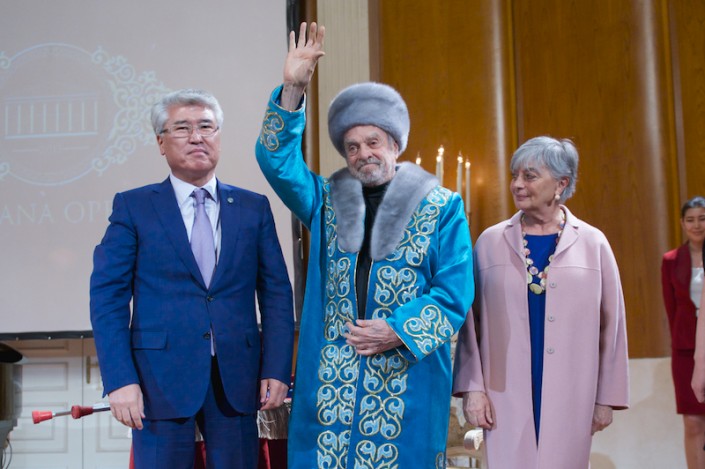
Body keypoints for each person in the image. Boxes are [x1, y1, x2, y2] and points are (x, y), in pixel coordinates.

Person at [255, 23, 475, 468]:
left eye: (373, 142)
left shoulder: (441, 206)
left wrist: (398, 329)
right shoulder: (325, 200)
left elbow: (454, 291)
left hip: (405, 382)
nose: (363, 153)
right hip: (330, 386)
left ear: (395, 144)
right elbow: (276, 161)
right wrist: (293, 90)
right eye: (352, 146)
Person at [90, 89, 294, 469]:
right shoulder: (134, 207)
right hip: (157, 381)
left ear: (218, 136)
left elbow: (277, 295)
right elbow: (107, 299)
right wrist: (119, 379)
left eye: (206, 127)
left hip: (238, 381)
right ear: (161, 142)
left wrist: (276, 368)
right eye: (183, 128)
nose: (197, 137)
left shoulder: (253, 207)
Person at [452, 136, 629, 469]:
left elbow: (613, 328)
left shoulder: (593, 243)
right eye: (515, 175)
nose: (517, 184)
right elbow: (470, 326)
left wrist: (606, 398)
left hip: (573, 392)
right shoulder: (489, 242)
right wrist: (472, 388)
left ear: (561, 183)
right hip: (503, 393)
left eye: (529, 176)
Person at [663, 196, 705, 468]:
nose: (697, 225)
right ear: (682, 223)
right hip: (686, 350)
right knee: (692, 421)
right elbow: (671, 308)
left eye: (702, 218)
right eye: (690, 220)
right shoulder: (671, 260)